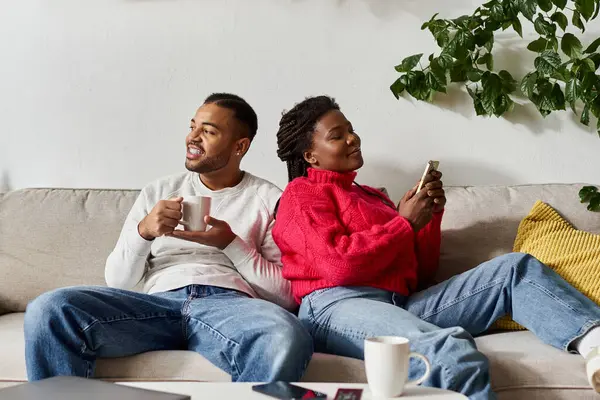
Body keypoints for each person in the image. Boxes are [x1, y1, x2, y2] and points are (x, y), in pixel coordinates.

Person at [272, 95, 600, 399]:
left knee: (515, 269)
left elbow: (421, 275)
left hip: (400, 303)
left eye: (352, 130)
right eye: (337, 135)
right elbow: (337, 266)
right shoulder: (301, 195)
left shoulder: (373, 196)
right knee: (448, 353)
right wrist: (404, 224)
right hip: (336, 306)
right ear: (310, 155)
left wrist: (428, 219)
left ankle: (595, 344)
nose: (352, 138)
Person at [24, 93, 313, 382]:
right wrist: (144, 231)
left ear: (240, 146)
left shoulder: (269, 198)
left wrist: (230, 244)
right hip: (156, 304)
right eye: (192, 127)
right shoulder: (159, 191)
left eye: (209, 131)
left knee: (286, 335)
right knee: (49, 309)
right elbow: (118, 281)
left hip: (229, 306)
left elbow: (286, 296)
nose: (193, 138)